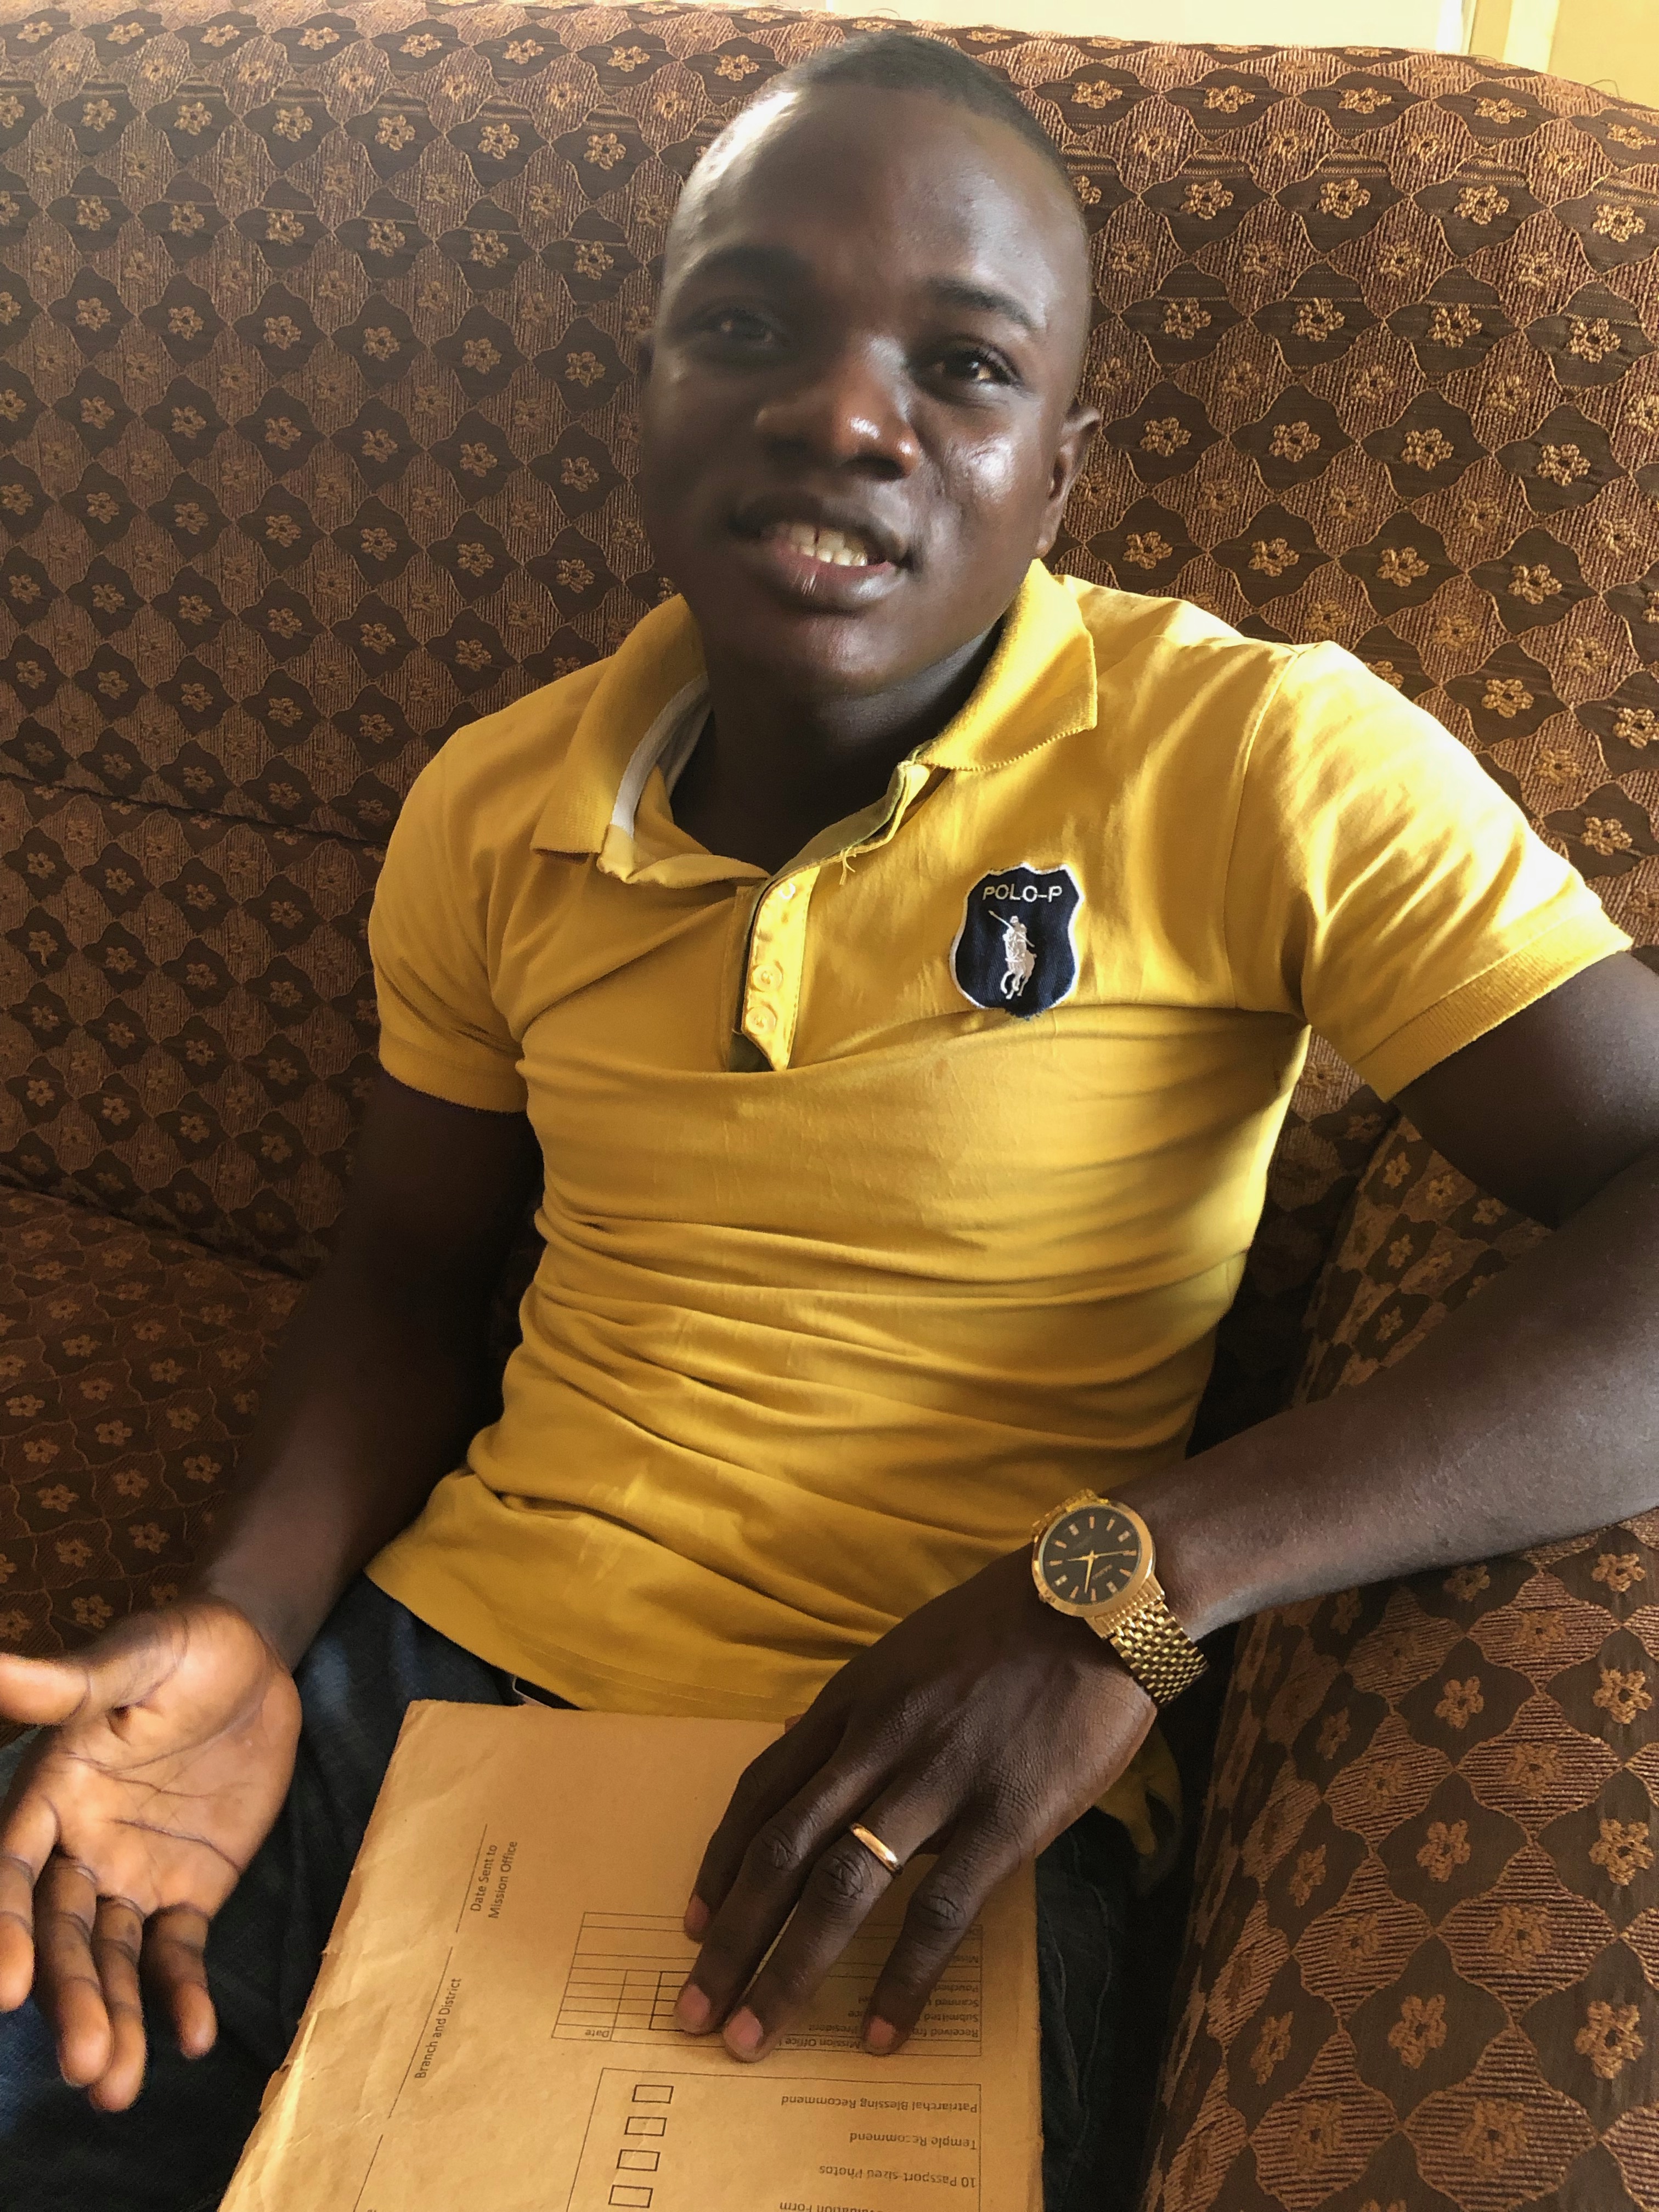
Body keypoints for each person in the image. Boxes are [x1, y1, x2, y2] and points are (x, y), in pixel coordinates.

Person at [3, 30, 1658, 2212]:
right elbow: (407, 1274)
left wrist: (1122, 1593)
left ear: (1056, 475)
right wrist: (239, 1623)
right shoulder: (494, 806)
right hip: (416, 1694)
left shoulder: (1259, 760)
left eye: (962, 367)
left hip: (934, 1754)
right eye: (747, 326)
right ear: (653, 391)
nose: (843, 414)